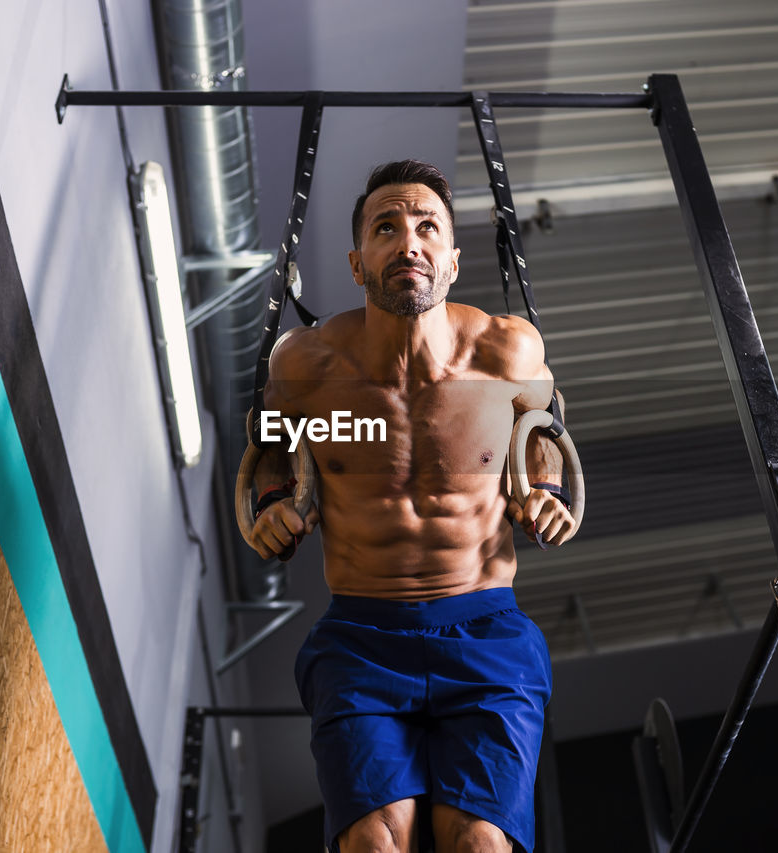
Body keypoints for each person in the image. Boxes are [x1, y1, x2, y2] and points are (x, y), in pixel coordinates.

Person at [246, 160, 577, 853]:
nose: (409, 243)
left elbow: (543, 433)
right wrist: (276, 503)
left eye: (428, 228)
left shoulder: (507, 351)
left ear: (453, 261)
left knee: (480, 843)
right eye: (386, 228)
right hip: (363, 635)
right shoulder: (305, 366)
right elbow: (275, 447)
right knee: (370, 843)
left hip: (485, 629)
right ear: (358, 261)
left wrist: (542, 491)